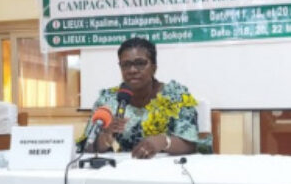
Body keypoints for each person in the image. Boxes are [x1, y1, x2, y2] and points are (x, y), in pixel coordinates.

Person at [79, 37, 207, 159]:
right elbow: (87, 147)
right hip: (123, 170)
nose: (132, 70)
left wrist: (163, 141)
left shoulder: (176, 96)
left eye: (140, 63)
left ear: (154, 67)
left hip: (168, 168)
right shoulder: (108, 100)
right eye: (126, 65)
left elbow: (191, 145)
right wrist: (105, 137)